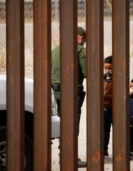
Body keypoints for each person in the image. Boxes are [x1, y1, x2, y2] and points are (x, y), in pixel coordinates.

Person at [51, 26, 87, 167]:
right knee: (72, 125)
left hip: (56, 93)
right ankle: (70, 157)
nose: (84, 42)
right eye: (84, 39)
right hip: (72, 94)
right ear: (80, 37)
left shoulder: (55, 50)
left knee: (61, 123)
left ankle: (63, 156)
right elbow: (88, 72)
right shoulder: (80, 50)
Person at [103, 55, 113, 158]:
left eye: (110, 68)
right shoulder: (103, 78)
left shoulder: (118, 79)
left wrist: (106, 95)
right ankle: (104, 149)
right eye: (106, 68)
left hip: (114, 108)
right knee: (105, 130)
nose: (107, 70)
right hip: (104, 108)